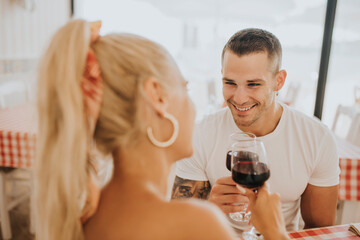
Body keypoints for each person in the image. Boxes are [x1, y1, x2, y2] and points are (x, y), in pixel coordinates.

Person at [35, 19, 293, 240]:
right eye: (185, 89)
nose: (192, 106)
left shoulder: (87, 214)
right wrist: (275, 232)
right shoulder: (199, 224)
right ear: (157, 96)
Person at [172, 28, 340, 231]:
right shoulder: (200, 134)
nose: (240, 98)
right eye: (230, 83)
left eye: (253, 84)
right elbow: (178, 228)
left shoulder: (317, 139)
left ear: (279, 81)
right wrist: (209, 209)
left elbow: (320, 231)